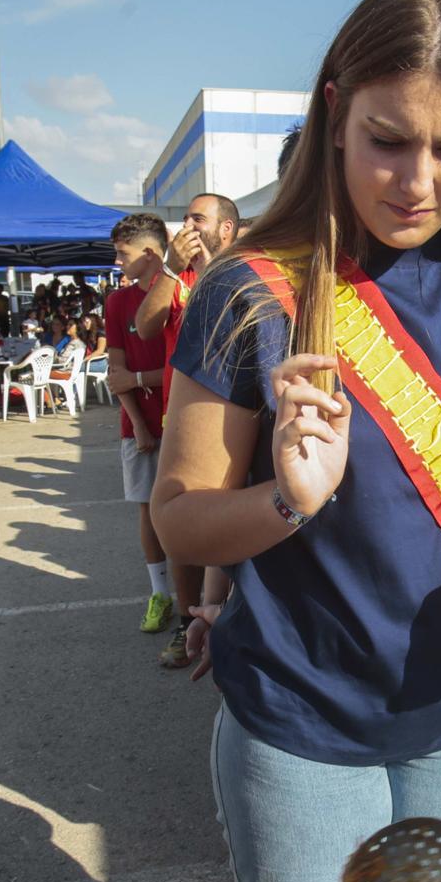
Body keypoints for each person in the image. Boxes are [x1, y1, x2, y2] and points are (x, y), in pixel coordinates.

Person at [152, 0, 441, 882]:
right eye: (388, 141)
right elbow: (176, 517)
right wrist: (288, 500)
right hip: (305, 727)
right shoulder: (250, 291)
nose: (418, 180)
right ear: (335, 114)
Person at [136, 192, 240, 669]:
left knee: (234, 522)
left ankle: (230, 617)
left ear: (226, 230)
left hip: (242, 415)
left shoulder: (246, 270)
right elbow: (146, 328)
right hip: (185, 418)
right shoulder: (178, 279)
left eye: (199, 219)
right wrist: (172, 270)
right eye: (186, 218)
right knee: (179, 522)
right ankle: (186, 619)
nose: (188, 226)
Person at [107, 213, 179, 637]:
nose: (117, 261)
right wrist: (139, 425)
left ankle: (199, 601)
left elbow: (181, 369)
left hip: (185, 421)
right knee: (148, 511)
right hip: (142, 427)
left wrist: (139, 379)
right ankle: (159, 594)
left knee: (192, 509)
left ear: (151, 253)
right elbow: (116, 373)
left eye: (123, 253)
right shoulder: (117, 302)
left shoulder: (183, 290)